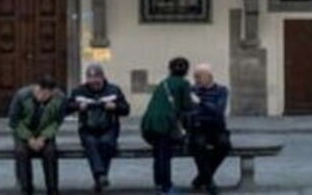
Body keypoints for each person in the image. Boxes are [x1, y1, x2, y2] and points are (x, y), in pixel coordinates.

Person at [67, 62, 130, 192]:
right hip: (87, 128)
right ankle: (101, 175)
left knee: (106, 143)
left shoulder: (114, 90)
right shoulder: (79, 91)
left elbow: (126, 109)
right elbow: (66, 108)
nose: (94, 82)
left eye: (97, 79)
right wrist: (78, 106)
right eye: (91, 79)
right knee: (91, 143)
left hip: (109, 127)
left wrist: (115, 106)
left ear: (103, 77)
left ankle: (99, 178)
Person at [140, 56, 194, 195]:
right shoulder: (183, 84)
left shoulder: (163, 83)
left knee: (159, 154)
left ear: (170, 69)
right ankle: (166, 186)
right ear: (186, 71)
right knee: (164, 155)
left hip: (149, 124)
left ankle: (159, 184)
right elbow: (187, 107)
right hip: (165, 124)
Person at [7, 76, 66, 195]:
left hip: (45, 133)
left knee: (50, 152)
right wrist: (29, 138)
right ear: (36, 88)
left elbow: (57, 121)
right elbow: (14, 121)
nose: (43, 97)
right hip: (23, 133)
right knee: (21, 152)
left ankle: (52, 189)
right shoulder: (21, 96)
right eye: (41, 93)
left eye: (47, 94)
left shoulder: (59, 98)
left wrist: (43, 137)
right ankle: (26, 188)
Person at [187, 63, 232, 194]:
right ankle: (208, 182)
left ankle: (200, 179)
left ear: (209, 76)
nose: (196, 80)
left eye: (199, 77)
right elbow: (190, 112)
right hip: (198, 127)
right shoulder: (192, 90)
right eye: (195, 77)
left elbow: (218, 110)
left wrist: (201, 103)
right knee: (198, 145)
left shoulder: (221, 90)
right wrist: (206, 109)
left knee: (224, 145)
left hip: (216, 127)